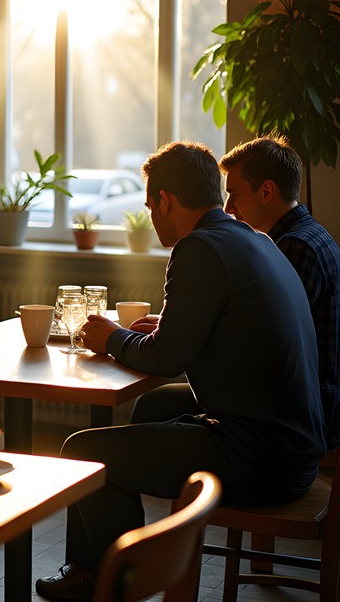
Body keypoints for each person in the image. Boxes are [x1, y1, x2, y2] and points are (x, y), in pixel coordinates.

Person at [35, 141, 325, 602]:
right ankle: (91, 568)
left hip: (259, 457)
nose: (152, 217)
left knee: (84, 450)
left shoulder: (197, 248)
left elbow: (166, 358)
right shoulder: (255, 238)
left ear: (166, 201)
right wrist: (162, 332)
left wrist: (110, 337)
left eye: (151, 205)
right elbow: (213, 333)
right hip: (296, 445)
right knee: (152, 403)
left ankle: (118, 586)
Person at [133, 135, 340, 451]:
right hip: (291, 411)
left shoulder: (294, 247)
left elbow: (260, 345)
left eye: (235, 194)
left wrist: (170, 335)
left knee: (93, 451)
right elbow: (247, 325)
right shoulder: (281, 239)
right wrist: (179, 325)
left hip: (289, 422)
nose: (228, 208)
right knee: (154, 406)